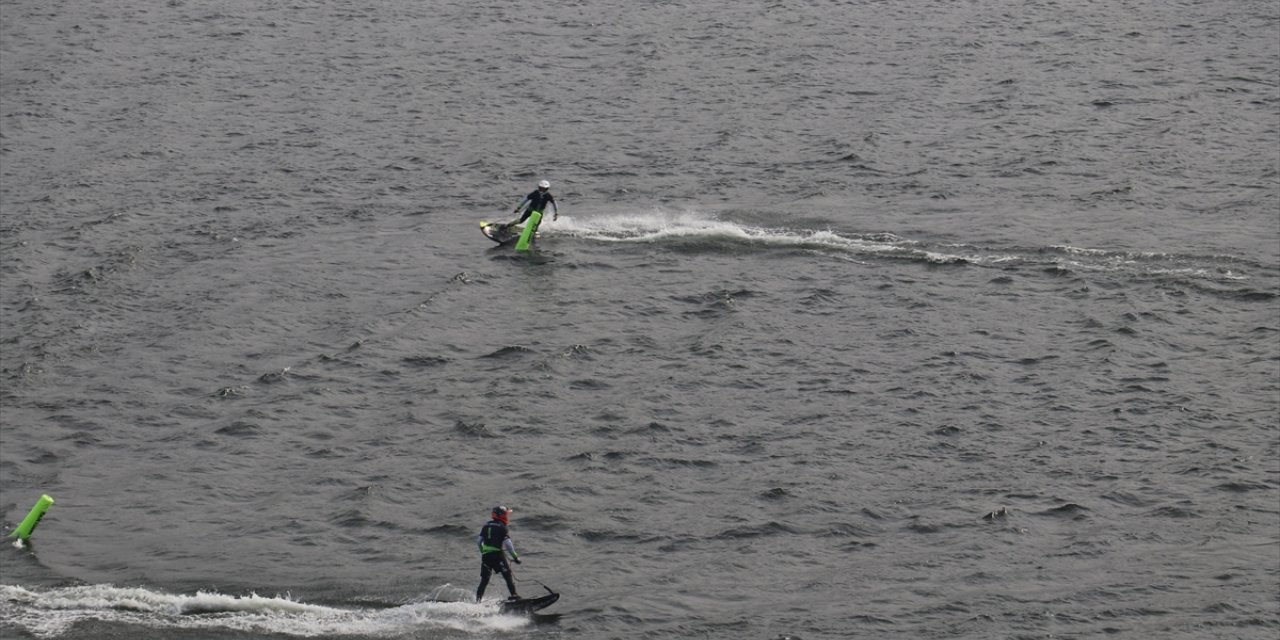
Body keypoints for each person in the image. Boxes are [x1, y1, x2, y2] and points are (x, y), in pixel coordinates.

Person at [475, 505, 521, 602]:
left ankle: (478, 601)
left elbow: (479, 542)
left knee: (484, 580)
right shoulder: (502, 527)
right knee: (507, 575)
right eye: (506, 514)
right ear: (502, 515)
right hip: (497, 556)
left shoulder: (486, 526)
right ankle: (514, 596)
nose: (507, 516)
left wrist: (484, 551)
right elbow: (508, 544)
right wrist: (515, 557)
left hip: (486, 556)